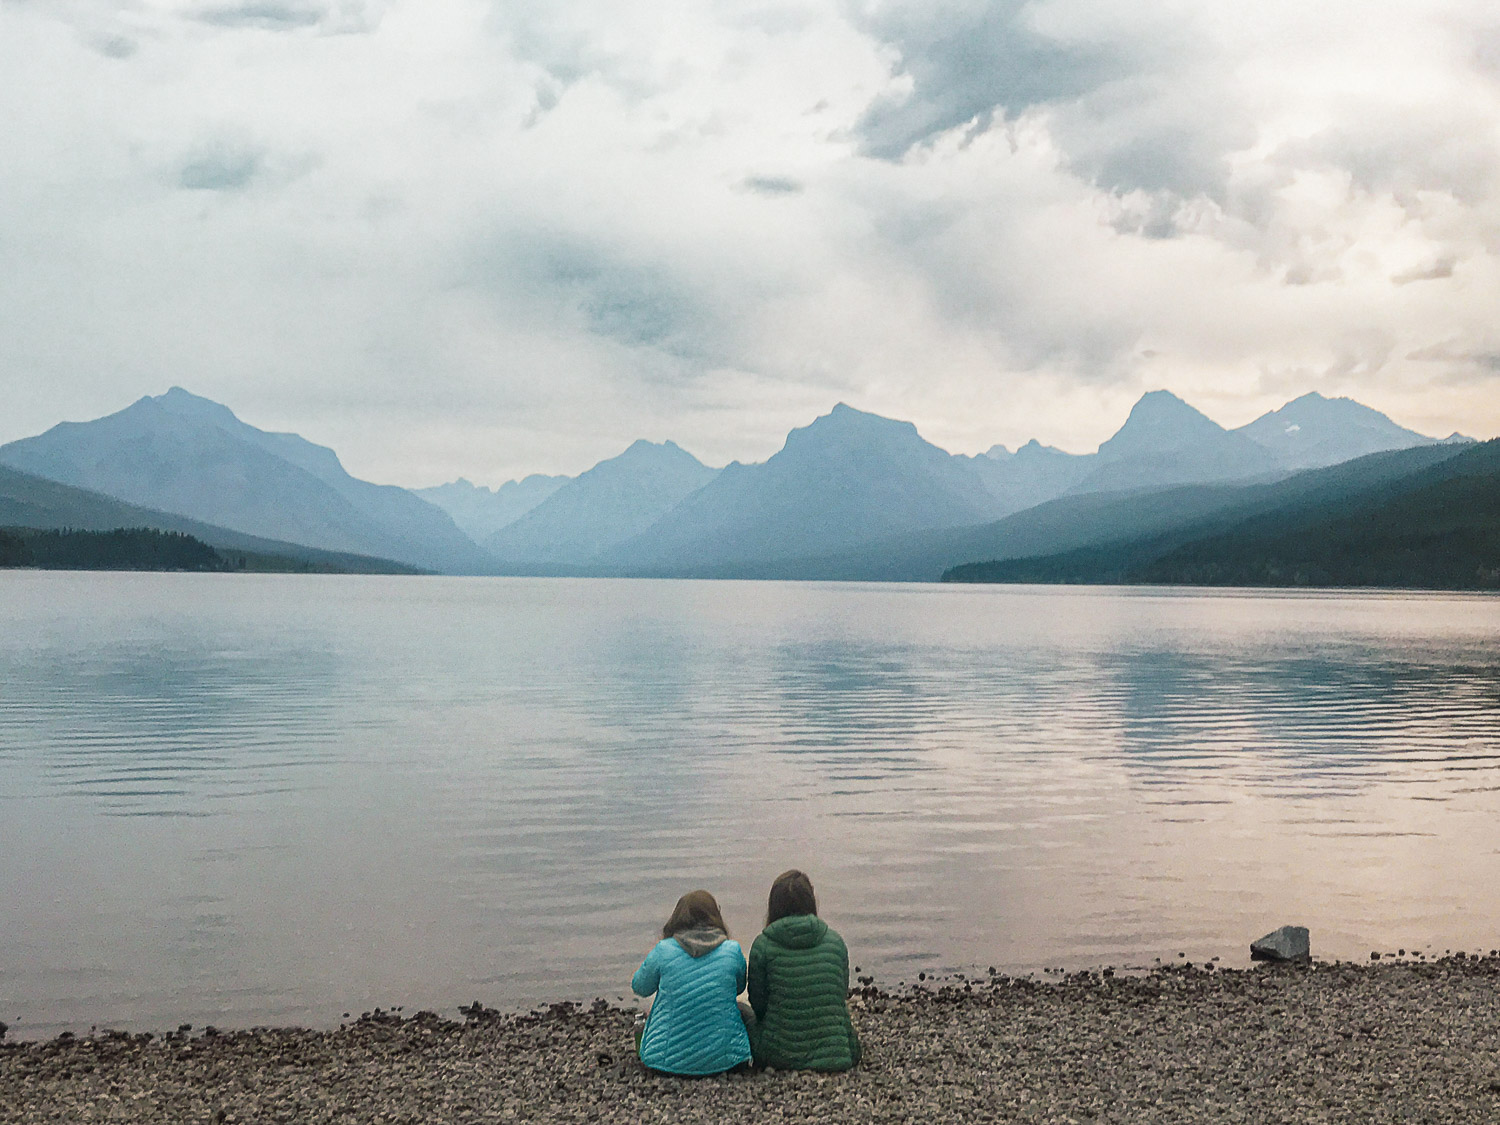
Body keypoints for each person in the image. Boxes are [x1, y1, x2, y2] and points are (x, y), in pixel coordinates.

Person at [747, 869, 861, 1071]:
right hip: (838, 1053)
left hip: (777, 1056)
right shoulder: (835, 942)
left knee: (744, 1014)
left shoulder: (762, 945)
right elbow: (839, 993)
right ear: (811, 902)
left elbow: (758, 1004)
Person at [631, 889, 752, 1076]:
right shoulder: (732, 950)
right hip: (728, 1061)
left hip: (664, 1062)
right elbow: (738, 989)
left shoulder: (664, 950)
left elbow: (640, 987)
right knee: (740, 1008)